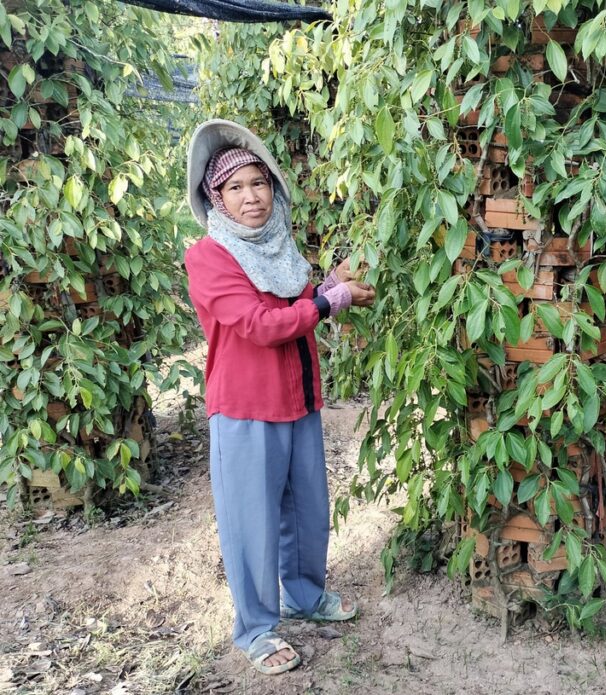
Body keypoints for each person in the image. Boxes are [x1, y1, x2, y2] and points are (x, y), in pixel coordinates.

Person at [184, 119, 376, 675]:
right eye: (236, 188)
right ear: (214, 197)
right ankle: (256, 628)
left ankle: (305, 595)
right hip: (245, 408)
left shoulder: (278, 245)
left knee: (308, 509)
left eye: (260, 184)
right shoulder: (209, 257)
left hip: (299, 398)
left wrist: (328, 287)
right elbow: (259, 323)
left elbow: (295, 303)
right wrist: (329, 302)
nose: (252, 198)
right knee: (252, 521)